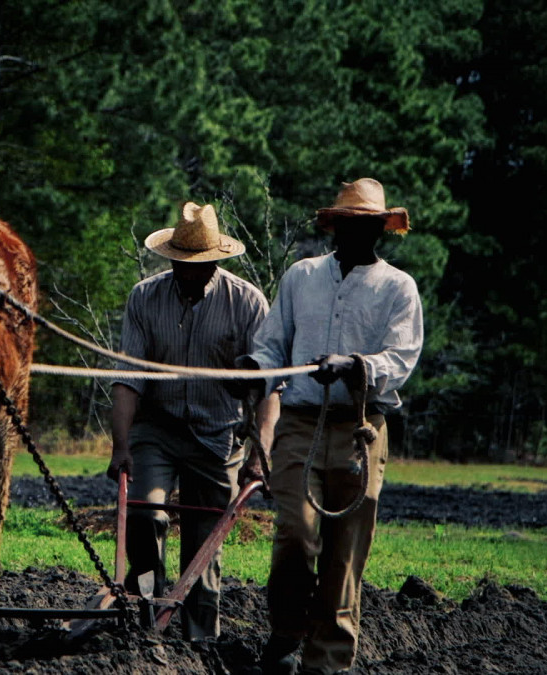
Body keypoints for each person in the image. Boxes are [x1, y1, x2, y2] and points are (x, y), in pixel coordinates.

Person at [242, 178, 423, 674]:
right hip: (300, 423)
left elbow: (401, 358)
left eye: (365, 224)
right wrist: (256, 368)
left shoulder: (398, 287)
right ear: (335, 225)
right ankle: (287, 625)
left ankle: (326, 663)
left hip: (361, 430)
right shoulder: (301, 277)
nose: (354, 231)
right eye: (347, 222)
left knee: (345, 558)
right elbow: (273, 343)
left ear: (379, 230)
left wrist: (353, 365)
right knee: (295, 534)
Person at [106, 201, 281, 641]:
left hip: (217, 434)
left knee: (205, 545)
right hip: (157, 428)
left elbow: (267, 389)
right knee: (145, 512)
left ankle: (200, 643)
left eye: (198, 266)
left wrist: (260, 454)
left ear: (217, 261)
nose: (188, 273)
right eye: (180, 264)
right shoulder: (145, 297)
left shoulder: (246, 303)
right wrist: (120, 445)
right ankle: (143, 620)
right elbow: (128, 379)